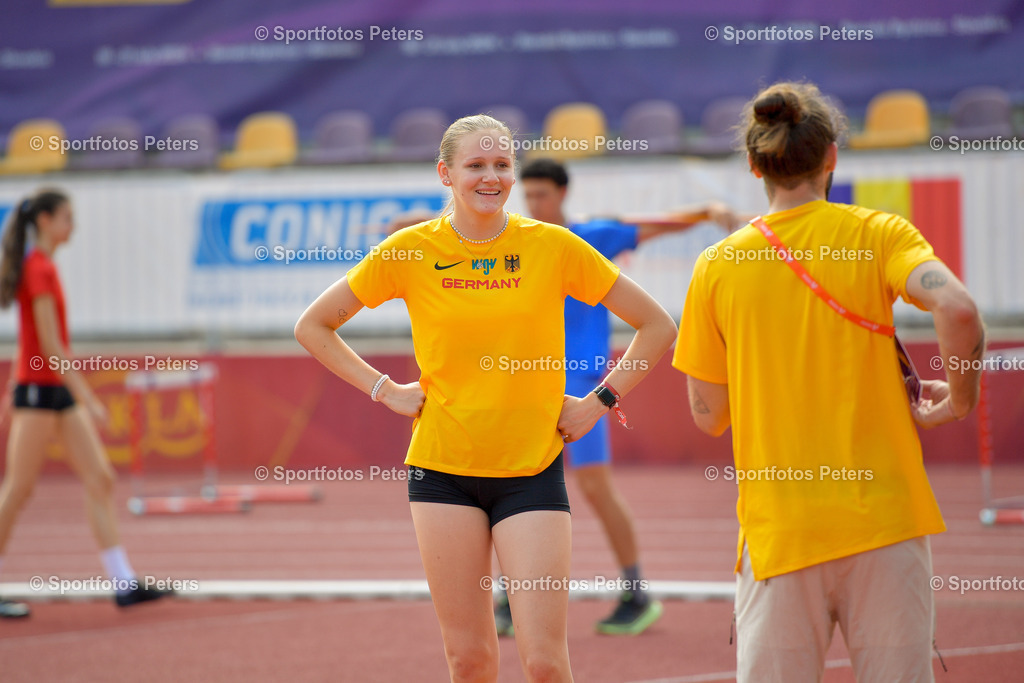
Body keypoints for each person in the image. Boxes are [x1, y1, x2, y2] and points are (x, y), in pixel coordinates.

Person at [295, 114, 676, 682]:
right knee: (470, 661)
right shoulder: (410, 251)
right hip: (441, 473)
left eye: (501, 164)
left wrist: (599, 401)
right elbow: (313, 325)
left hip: (531, 470)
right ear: (446, 173)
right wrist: (384, 390)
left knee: (545, 663)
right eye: (475, 165)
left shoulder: (553, 246)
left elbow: (658, 325)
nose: (491, 177)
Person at [673, 82, 985, 682]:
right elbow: (959, 310)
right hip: (886, 523)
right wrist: (959, 402)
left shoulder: (718, 265)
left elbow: (708, 416)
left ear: (754, 164)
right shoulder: (880, 233)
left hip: (782, 534)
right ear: (832, 156)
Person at [490, 158, 742, 636]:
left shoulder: (589, 237)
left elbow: (655, 226)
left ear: (563, 194)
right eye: (529, 195)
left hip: (580, 384)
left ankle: (635, 592)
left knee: (594, 488)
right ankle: (509, 597)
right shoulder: (519, 241)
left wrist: (707, 210)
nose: (535, 203)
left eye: (543, 195)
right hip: (527, 384)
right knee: (512, 484)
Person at [0, 189, 173, 618]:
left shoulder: (45, 266)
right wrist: (88, 397)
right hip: (40, 392)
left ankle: (123, 583)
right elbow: (50, 346)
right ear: (45, 221)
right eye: (67, 218)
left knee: (100, 479)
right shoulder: (38, 269)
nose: (73, 226)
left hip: (53, 390)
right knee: (18, 490)